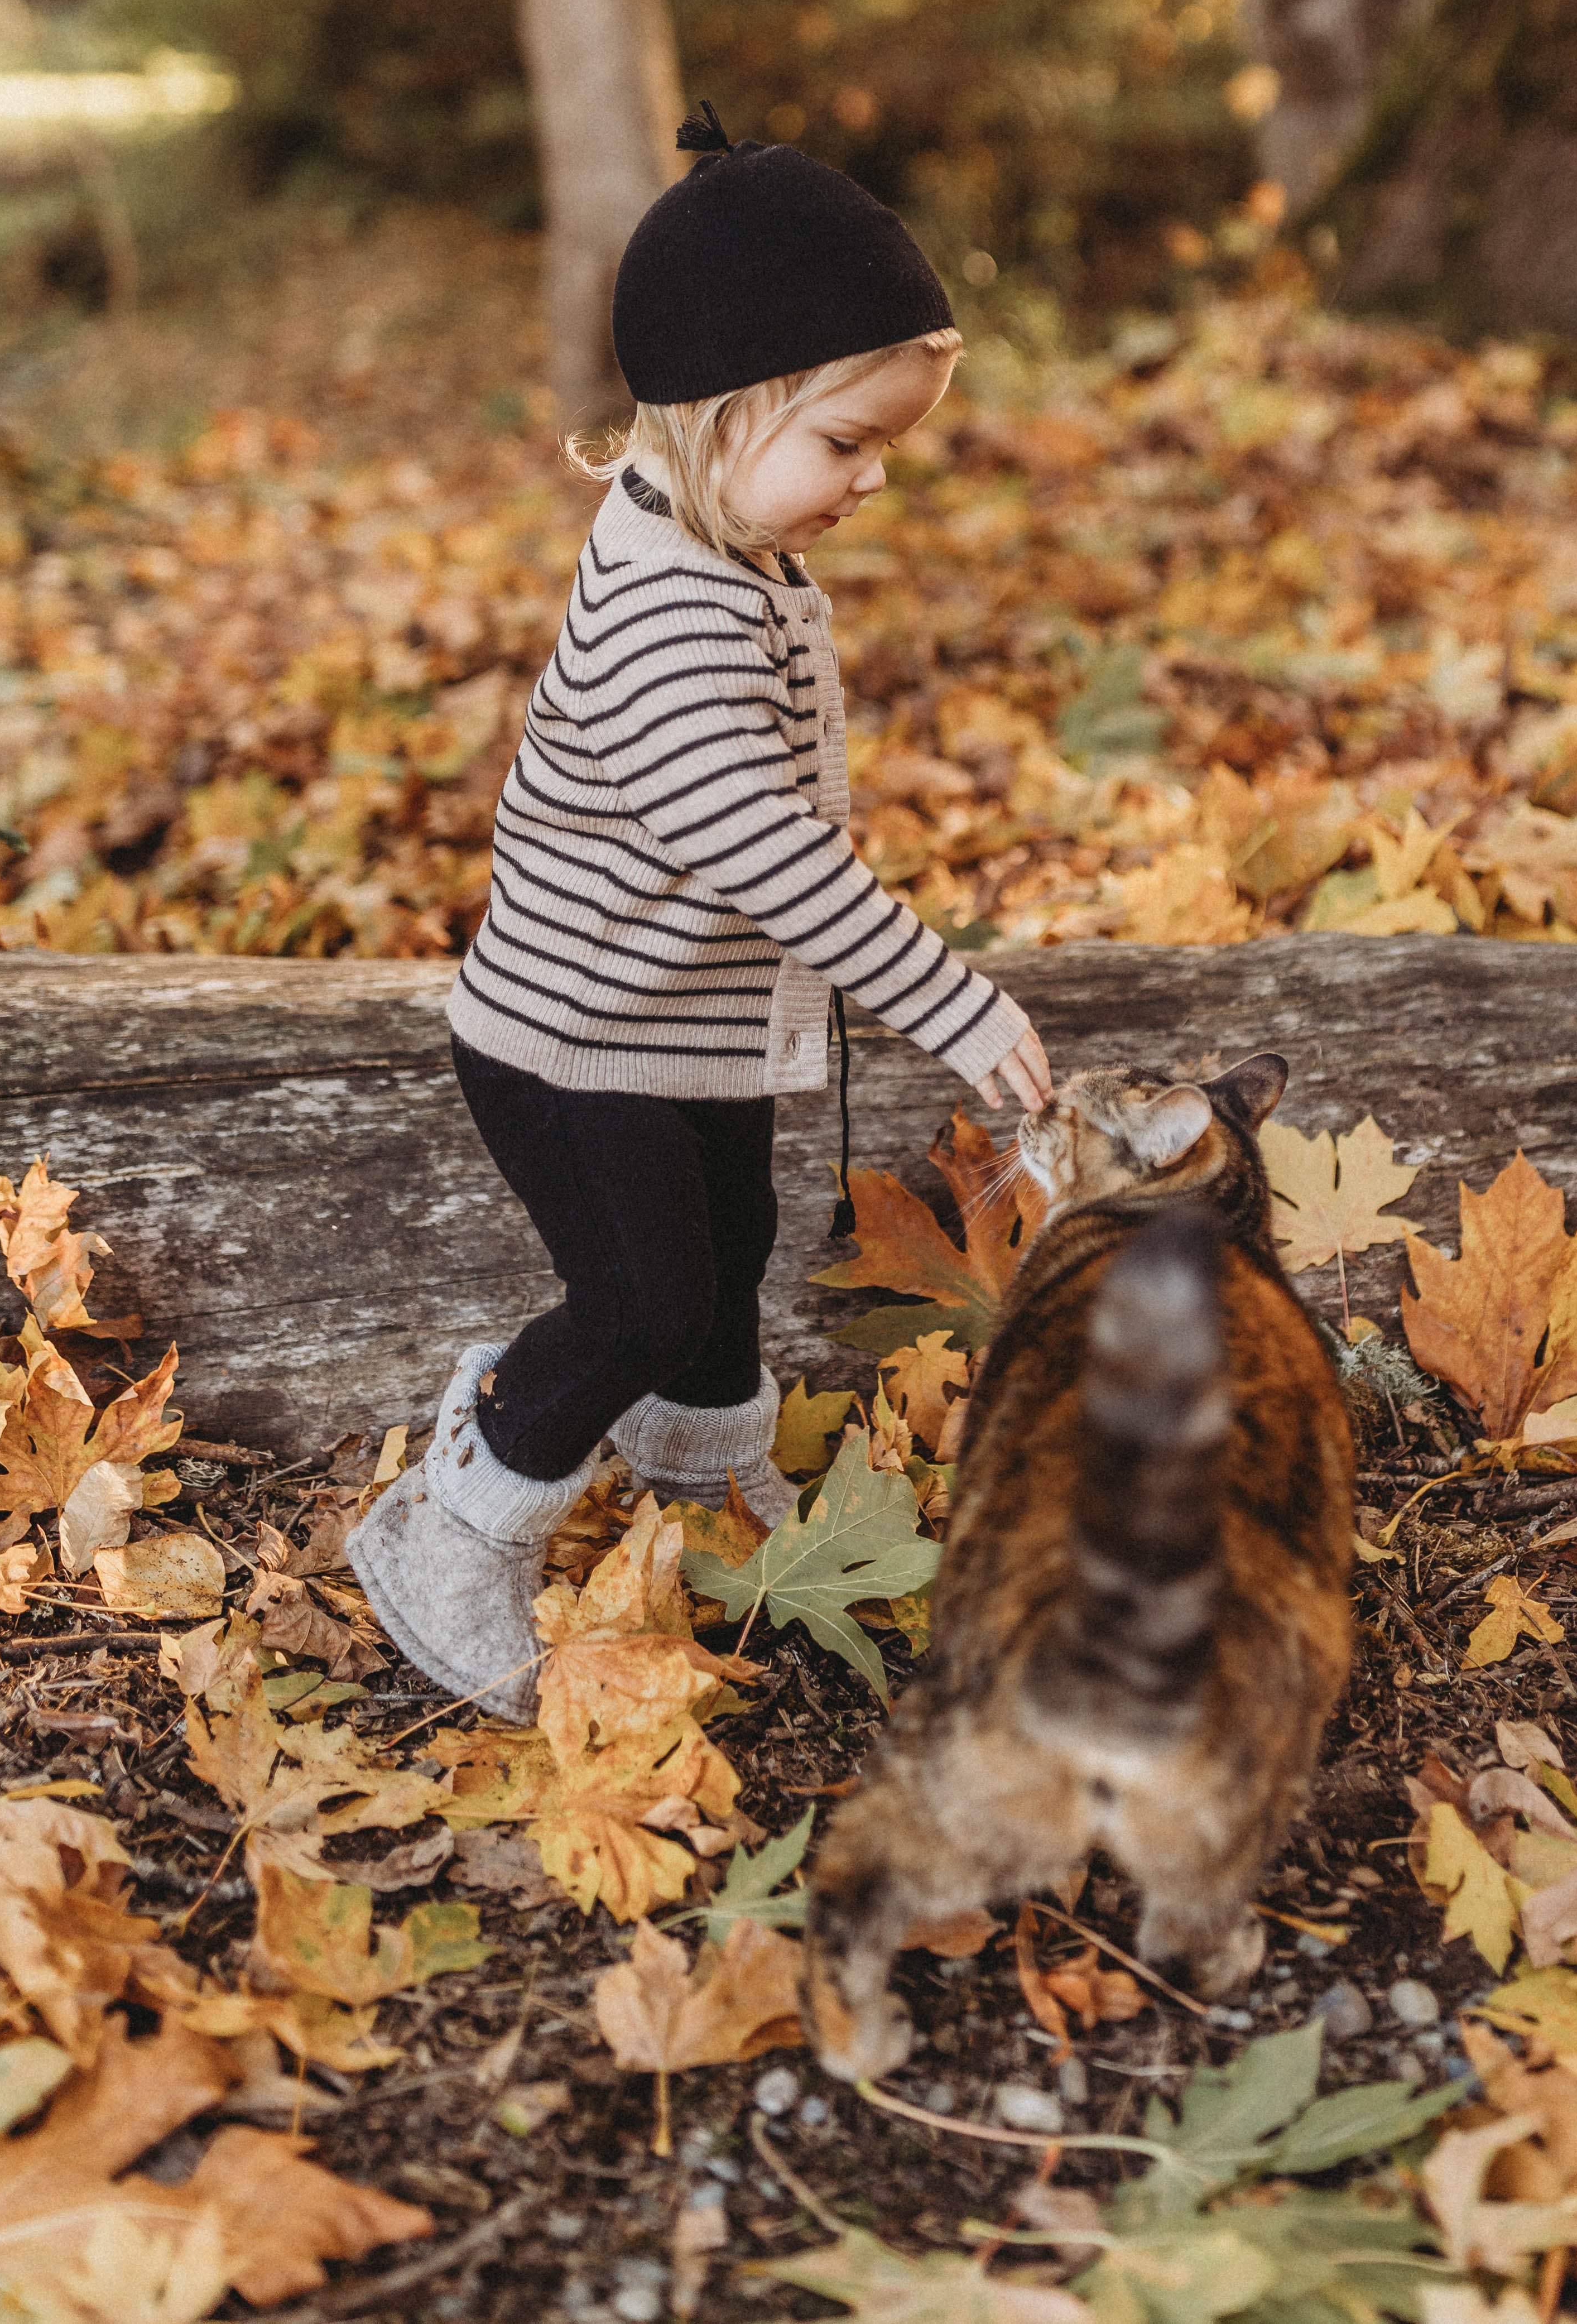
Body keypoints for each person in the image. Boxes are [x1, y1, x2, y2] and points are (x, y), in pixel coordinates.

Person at [349, 105, 1054, 1718]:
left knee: (731, 1250)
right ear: (727, 411)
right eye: (848, 443)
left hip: (675, 1021)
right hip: (569, 1043)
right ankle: (454, 1519)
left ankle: (704, 1478)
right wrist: (946, 999)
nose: (874, 478)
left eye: (885, 446)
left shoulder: (721, 542)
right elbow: (753, 842)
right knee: (645, 1295)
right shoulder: (670, 607)